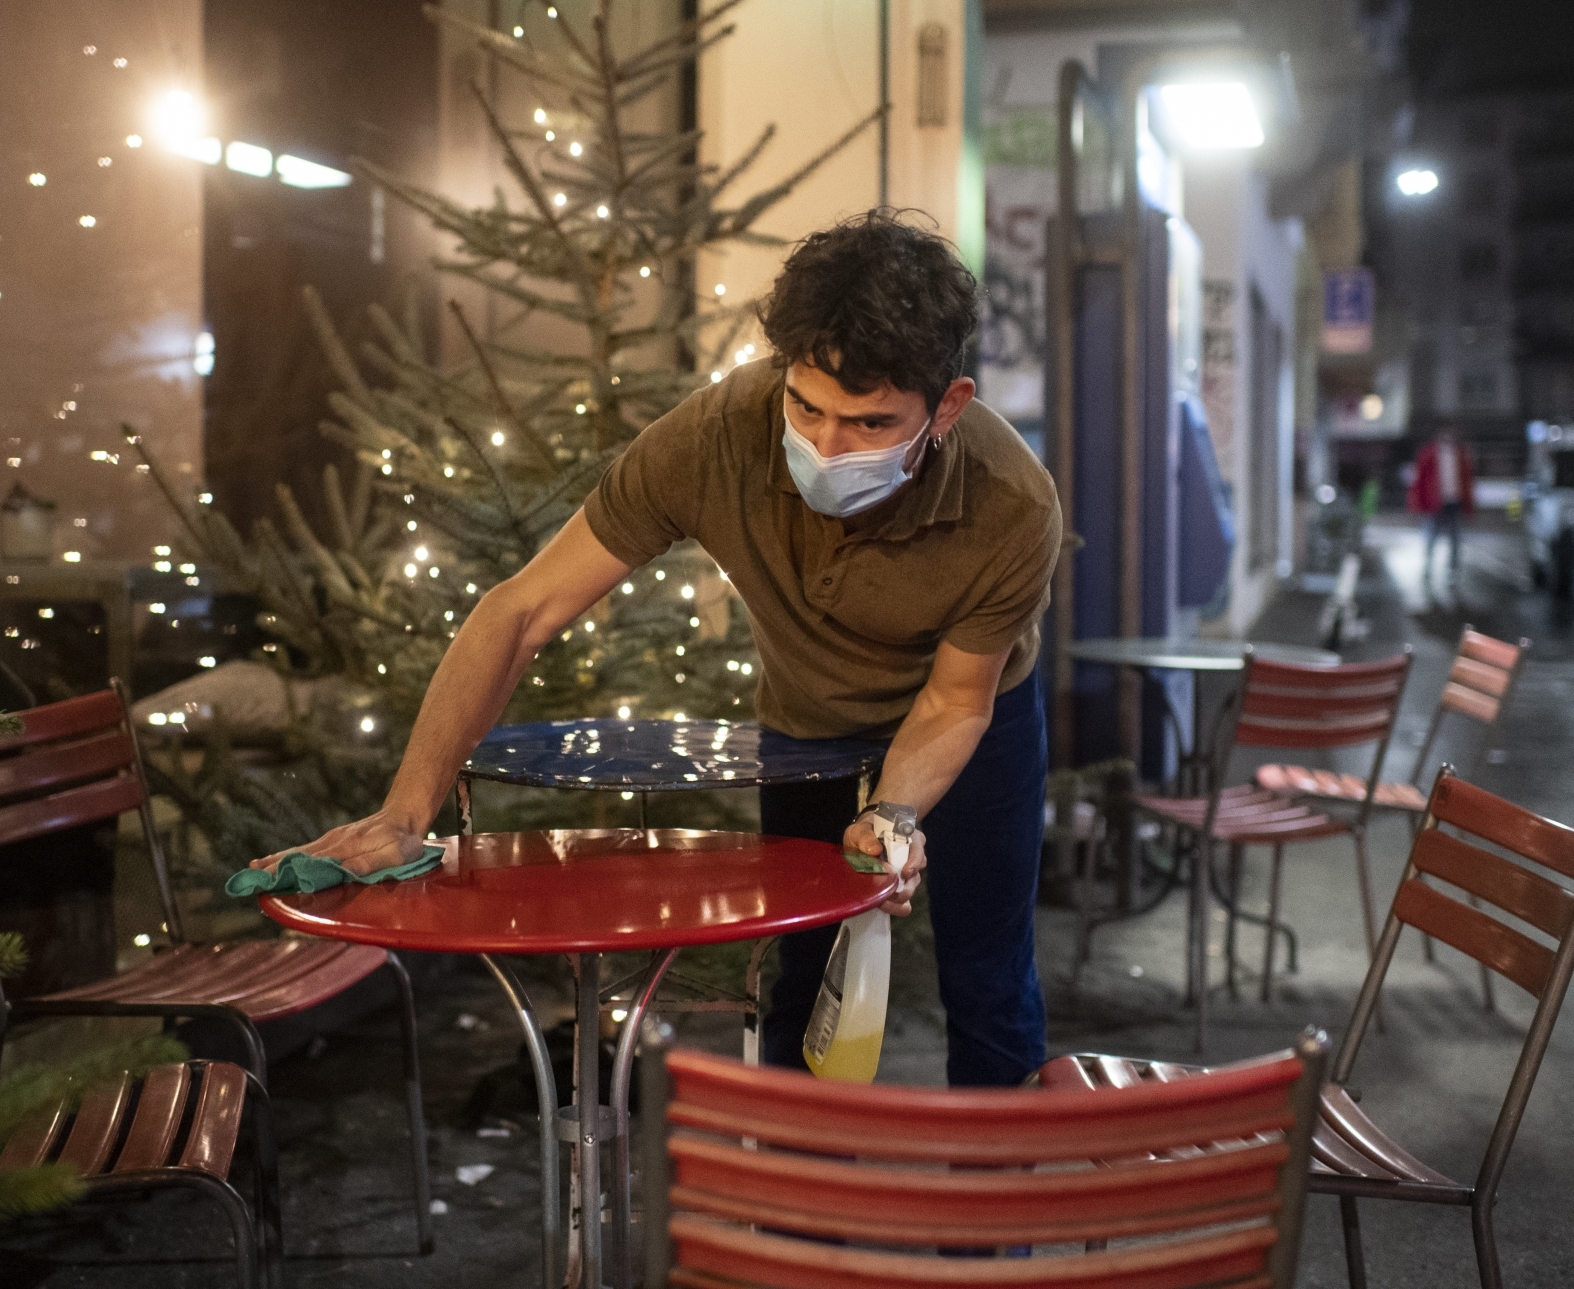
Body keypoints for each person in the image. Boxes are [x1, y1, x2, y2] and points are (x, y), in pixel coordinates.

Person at [254, 211, 1062, 1088]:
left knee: (987, 984)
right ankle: (800, 1209)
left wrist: (894, 813)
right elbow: (519, 612)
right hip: (808, 725)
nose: (825, 448)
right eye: (806, 406)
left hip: (974, 728)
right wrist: (404, 812)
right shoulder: (716, 435)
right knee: (801, 975)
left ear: (948, 406)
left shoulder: (1011, 501)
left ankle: (991, 1219)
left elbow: (954, 702)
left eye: (868, 426)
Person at [1411, 426, 1474, 577]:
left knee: (1455, 537)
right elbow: (1420, 480)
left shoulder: (1460, 454)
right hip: (1435, 503)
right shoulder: (1428, 454)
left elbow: (1467, 480)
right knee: (1431, 535)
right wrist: (1419, 503)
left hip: (1454, 501)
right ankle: (1428, 566)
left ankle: (1453, 568)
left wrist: (1468, 504)